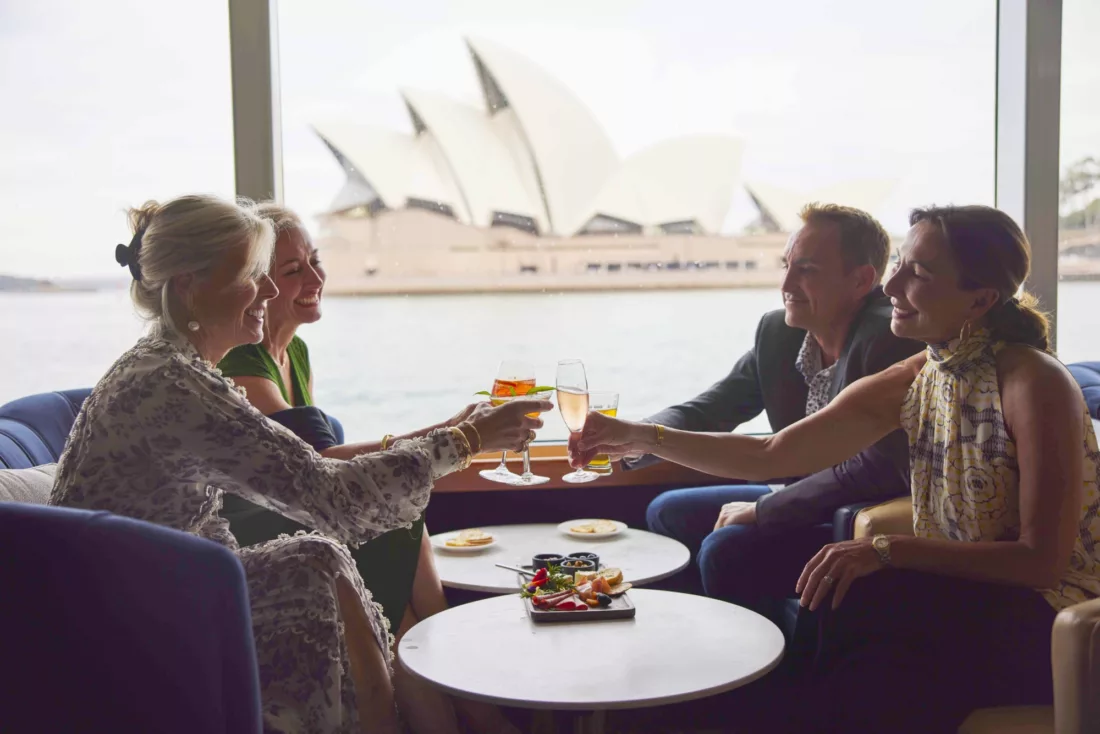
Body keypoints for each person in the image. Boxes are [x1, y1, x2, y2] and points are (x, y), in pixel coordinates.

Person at [574, 204, 1100, 731]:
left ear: (980, 299)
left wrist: (884, 549)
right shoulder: (920, 373)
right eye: (899, 264)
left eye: (917, 273)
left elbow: (1042, 564)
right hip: (959, 593)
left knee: (858, 600)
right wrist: (641, 436)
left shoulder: (1035, 383)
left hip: (1052, 619)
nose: (892, 285)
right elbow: (771, 455)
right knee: (840, 596)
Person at [49, 194, 551, 734]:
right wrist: (468, 439)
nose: (269, 290)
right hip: (128, 617)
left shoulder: (174, 366)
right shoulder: (169, 384)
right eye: (253, 273)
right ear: (190, 287)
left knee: (318, 558)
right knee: (319, 558)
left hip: (163, 585)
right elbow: (330, 495)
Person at [217, 203, 513, 734]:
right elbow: (317, 464)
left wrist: (449, 432)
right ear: (257, 285)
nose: (315, 278)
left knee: (399, 519)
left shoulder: (295, 351)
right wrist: (453, 434)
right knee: (390, 557)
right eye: (292, 271)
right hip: (251, 531)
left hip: (295, 510)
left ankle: (462, 698)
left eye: (315, 260)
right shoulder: (242, 361)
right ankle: (471, 711)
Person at [637, 203, 922, 617]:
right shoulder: (779, 332)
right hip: (796, 494)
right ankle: (704, 634)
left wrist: (764, 510)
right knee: (665, 511)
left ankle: (765, 667)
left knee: (723, 549)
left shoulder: (888, 338)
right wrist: (634, 436)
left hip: (857, 511)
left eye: (807, 270)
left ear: (861, 280)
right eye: (787, 265)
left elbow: (876, 470)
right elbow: (714, 407)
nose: (786, 283)